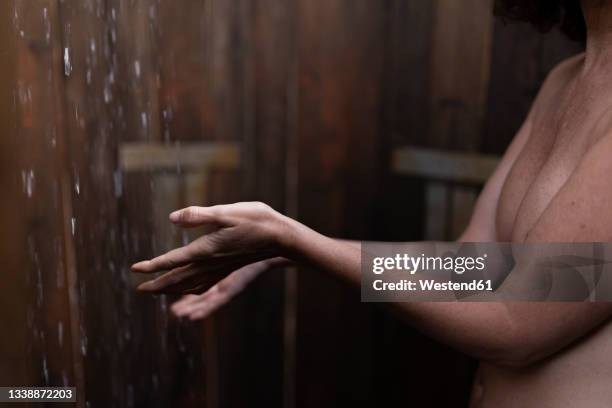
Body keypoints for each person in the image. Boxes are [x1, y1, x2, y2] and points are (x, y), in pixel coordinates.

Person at [132, 1, 612, 406]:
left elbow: (517, 325)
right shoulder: (565, 82)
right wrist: (286, 250)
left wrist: (300, 243)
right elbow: (472, 266)